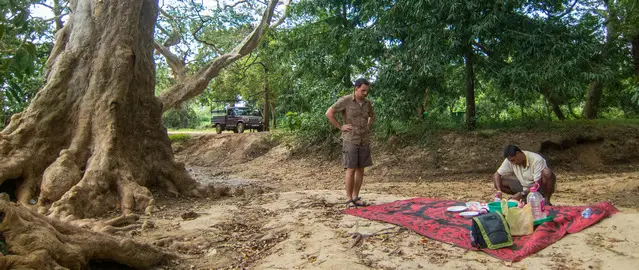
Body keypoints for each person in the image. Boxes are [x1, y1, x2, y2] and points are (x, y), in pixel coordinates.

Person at [325, 78, 376, 208]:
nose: (365, 93)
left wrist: (368, 126)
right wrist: (340, 127)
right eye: (363, 90)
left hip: (364, 139)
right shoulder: (345, 100)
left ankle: (355, 197)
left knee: (360, 169)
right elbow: (329, 113)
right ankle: (348, 199)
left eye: (367, 91)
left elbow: (372, 116)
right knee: (351, 169)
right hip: (350, 140)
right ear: (356, 88)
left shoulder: (367, 103)